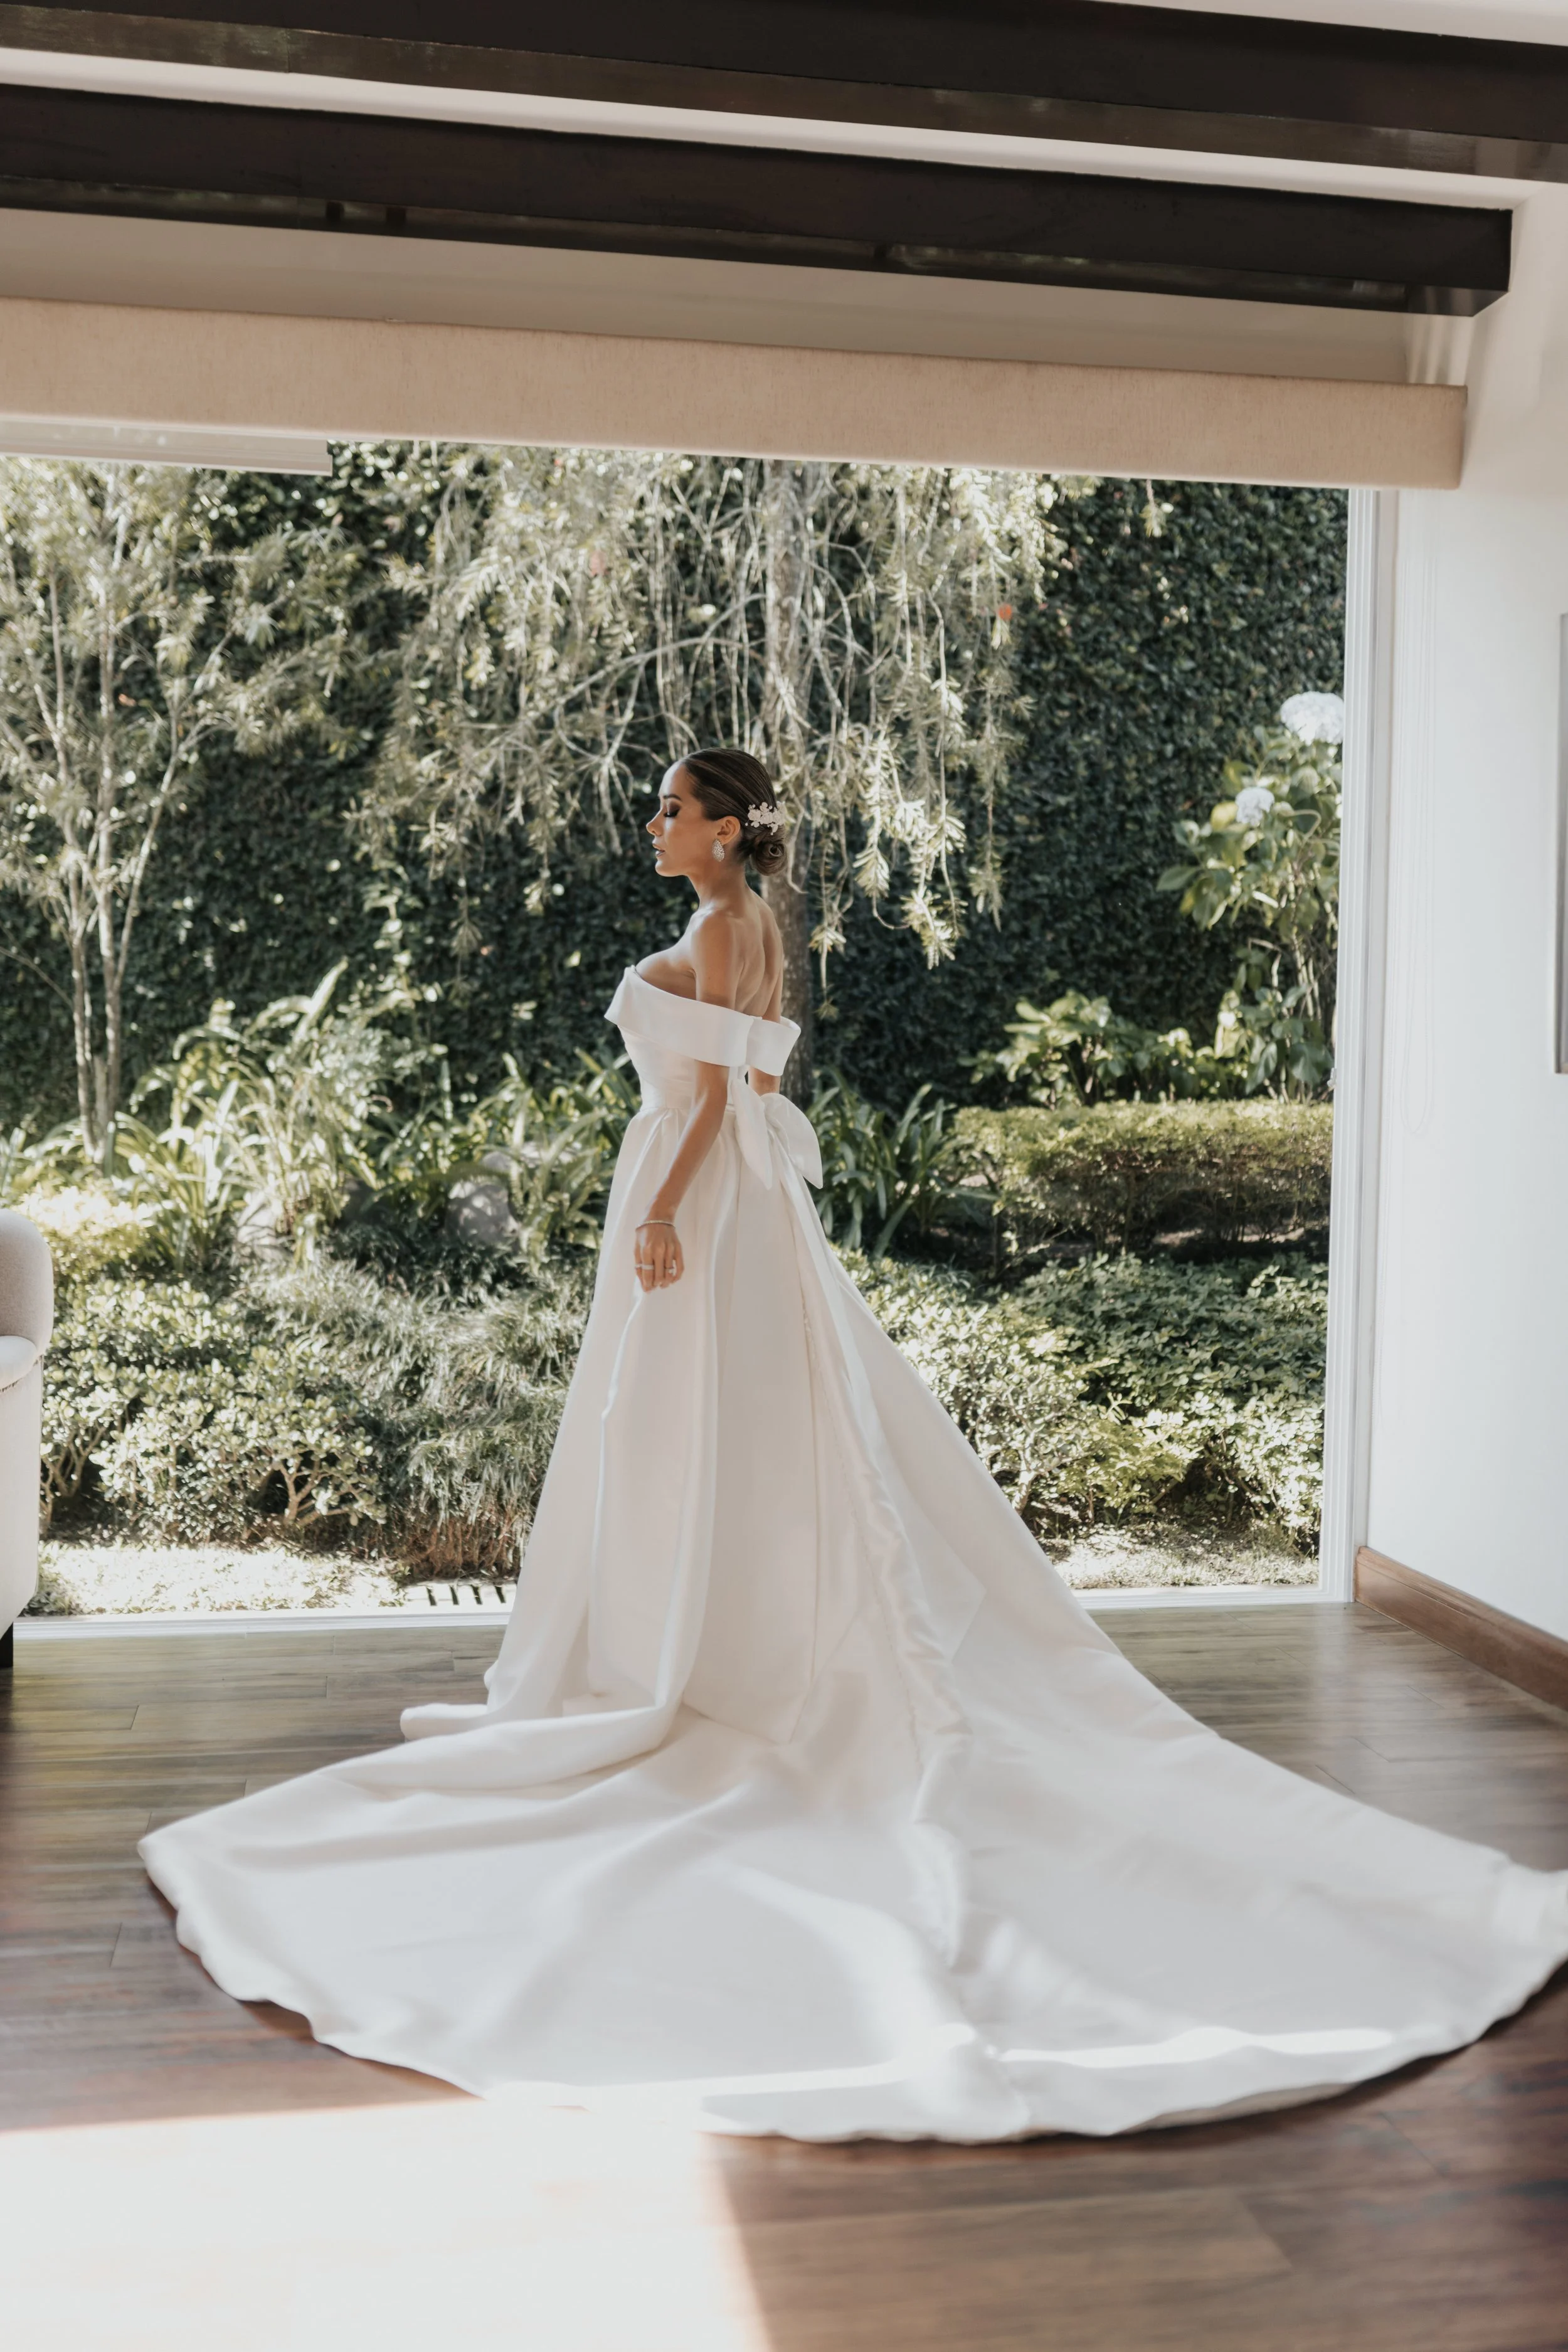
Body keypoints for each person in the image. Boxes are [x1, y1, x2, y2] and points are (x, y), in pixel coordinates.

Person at [142, 750, 1568, 2143]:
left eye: (672, 810)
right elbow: (753, 1081)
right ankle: (721, 1630)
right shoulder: (753, 920)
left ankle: (701, 1650)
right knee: (750, 1425)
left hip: (698, 1198)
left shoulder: (716, 923)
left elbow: (709, 1099)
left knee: (694, 1417)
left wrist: (657, 1212)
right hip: (738, 1203)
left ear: (721, 832)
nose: (653, 825)